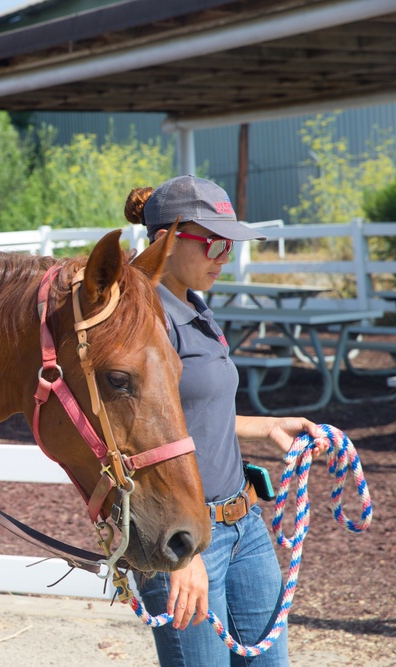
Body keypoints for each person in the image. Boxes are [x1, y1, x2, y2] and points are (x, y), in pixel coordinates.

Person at [123, 175, 329, 667]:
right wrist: (182, 554)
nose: (225, 256)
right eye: (214, 243)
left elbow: (196, 410)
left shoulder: (193, 303)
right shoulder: (142, 322)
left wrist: (266, 426)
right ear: (164, 242)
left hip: (244, 524)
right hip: (185, 533)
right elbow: (133, 440)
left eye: (229, 244)